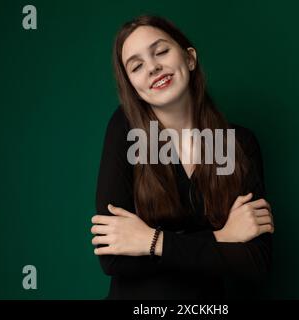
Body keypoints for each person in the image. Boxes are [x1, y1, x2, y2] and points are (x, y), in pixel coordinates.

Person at [90, 15, 275, 300]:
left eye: (161, 51)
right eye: (137, 66)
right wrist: (221, 237)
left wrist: (149, 242)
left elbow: (255, 262)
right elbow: (115, 258)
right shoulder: (126, 129)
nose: (153, 67)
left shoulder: (236, 143)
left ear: (189, 58)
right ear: (133, 88)